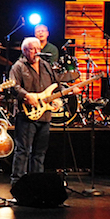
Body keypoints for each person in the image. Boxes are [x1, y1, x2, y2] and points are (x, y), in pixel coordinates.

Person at [9, 36, 70, 185]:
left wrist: (67, 92)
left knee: (40, 152)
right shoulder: (18, 66)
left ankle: (37, 183)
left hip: (44, 115)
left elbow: (56, 84)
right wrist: (26, 95)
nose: (36, 52)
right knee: (23, 150)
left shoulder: (46, 65)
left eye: (38, 49)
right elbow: (13, 86)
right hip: (27, 114)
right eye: (32, 49)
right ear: (24, 51)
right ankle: (17, 183)